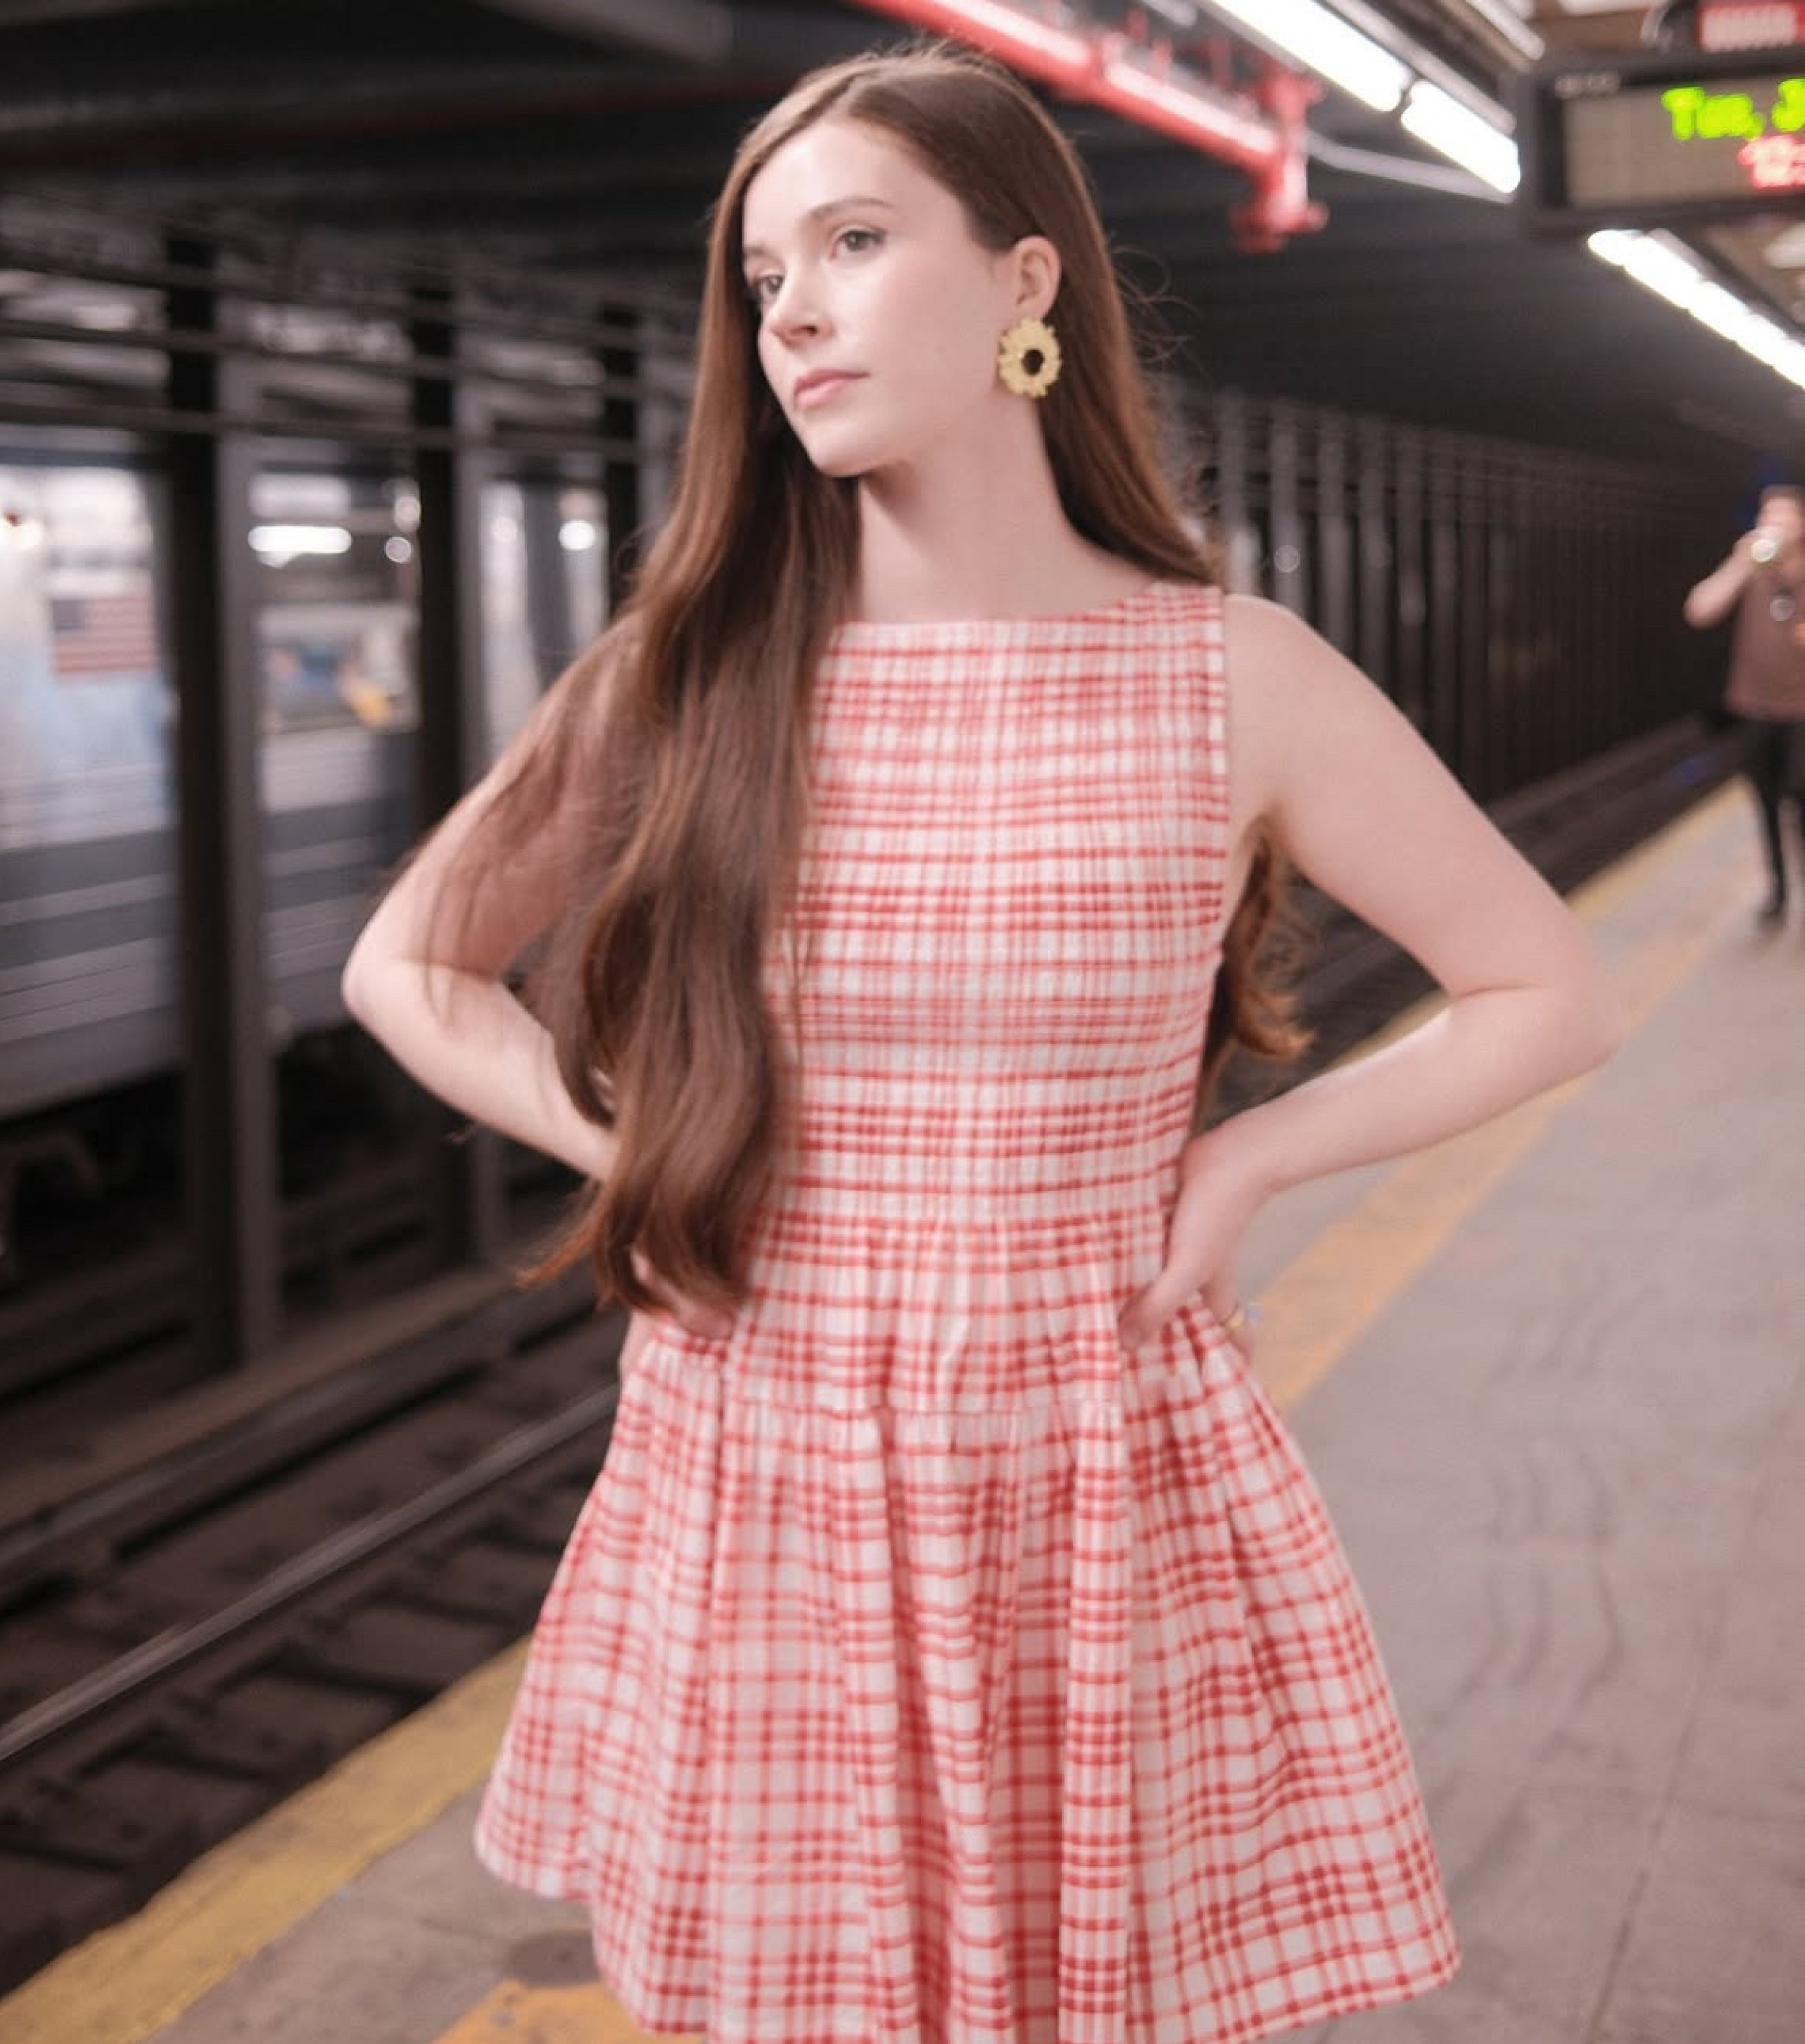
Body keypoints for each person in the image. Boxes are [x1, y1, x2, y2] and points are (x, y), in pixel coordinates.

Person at [342, 40, 1622, 2044]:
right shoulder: (689, 672)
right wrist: (634, 1144)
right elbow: (408, 968)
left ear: (1027, 281)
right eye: (763, 276)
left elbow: (1547, 984)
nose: (795, 314)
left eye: (853, 242)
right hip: (758, 1445)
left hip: (1080, 1453)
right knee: (762, 1994)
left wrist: (1247, 1155)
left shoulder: (1225, 676)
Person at [1683, 483, 1805, 929]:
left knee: (1799, 791)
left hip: (1801, 711)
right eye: (1766, 516)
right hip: (1754, 706)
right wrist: (1738, 562)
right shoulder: (1751, 572)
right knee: (1766, 798)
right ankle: (1778, 889)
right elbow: (1699, 611)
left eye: (1784, 517)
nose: (1774, 525)